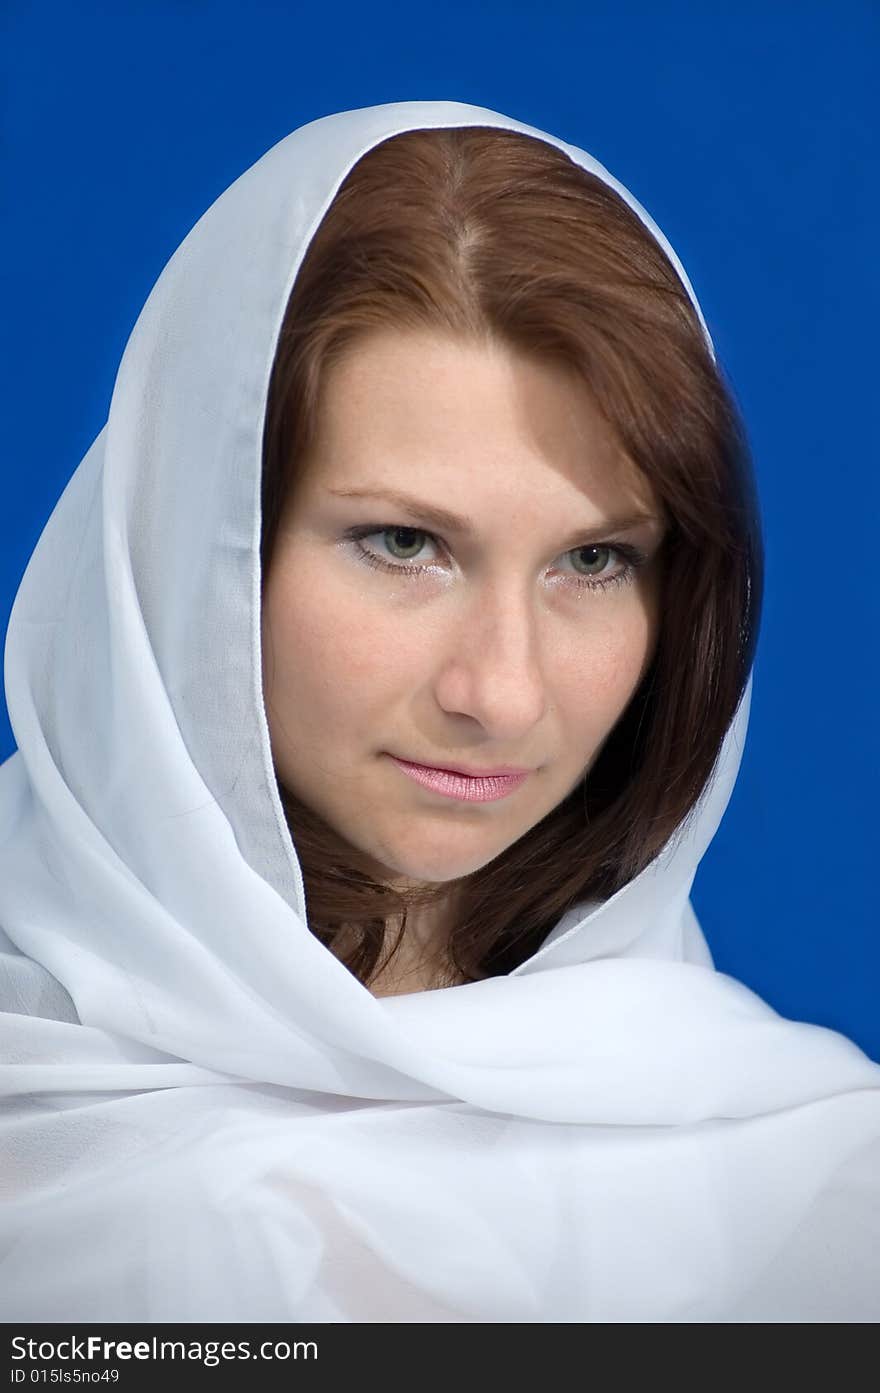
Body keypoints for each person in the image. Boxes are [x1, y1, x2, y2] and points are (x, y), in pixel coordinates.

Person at [1, 99, 878, 1323]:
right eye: (403, 543)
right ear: (185, 545)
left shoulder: (818, 1185)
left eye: (594, 562)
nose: (501, 691)